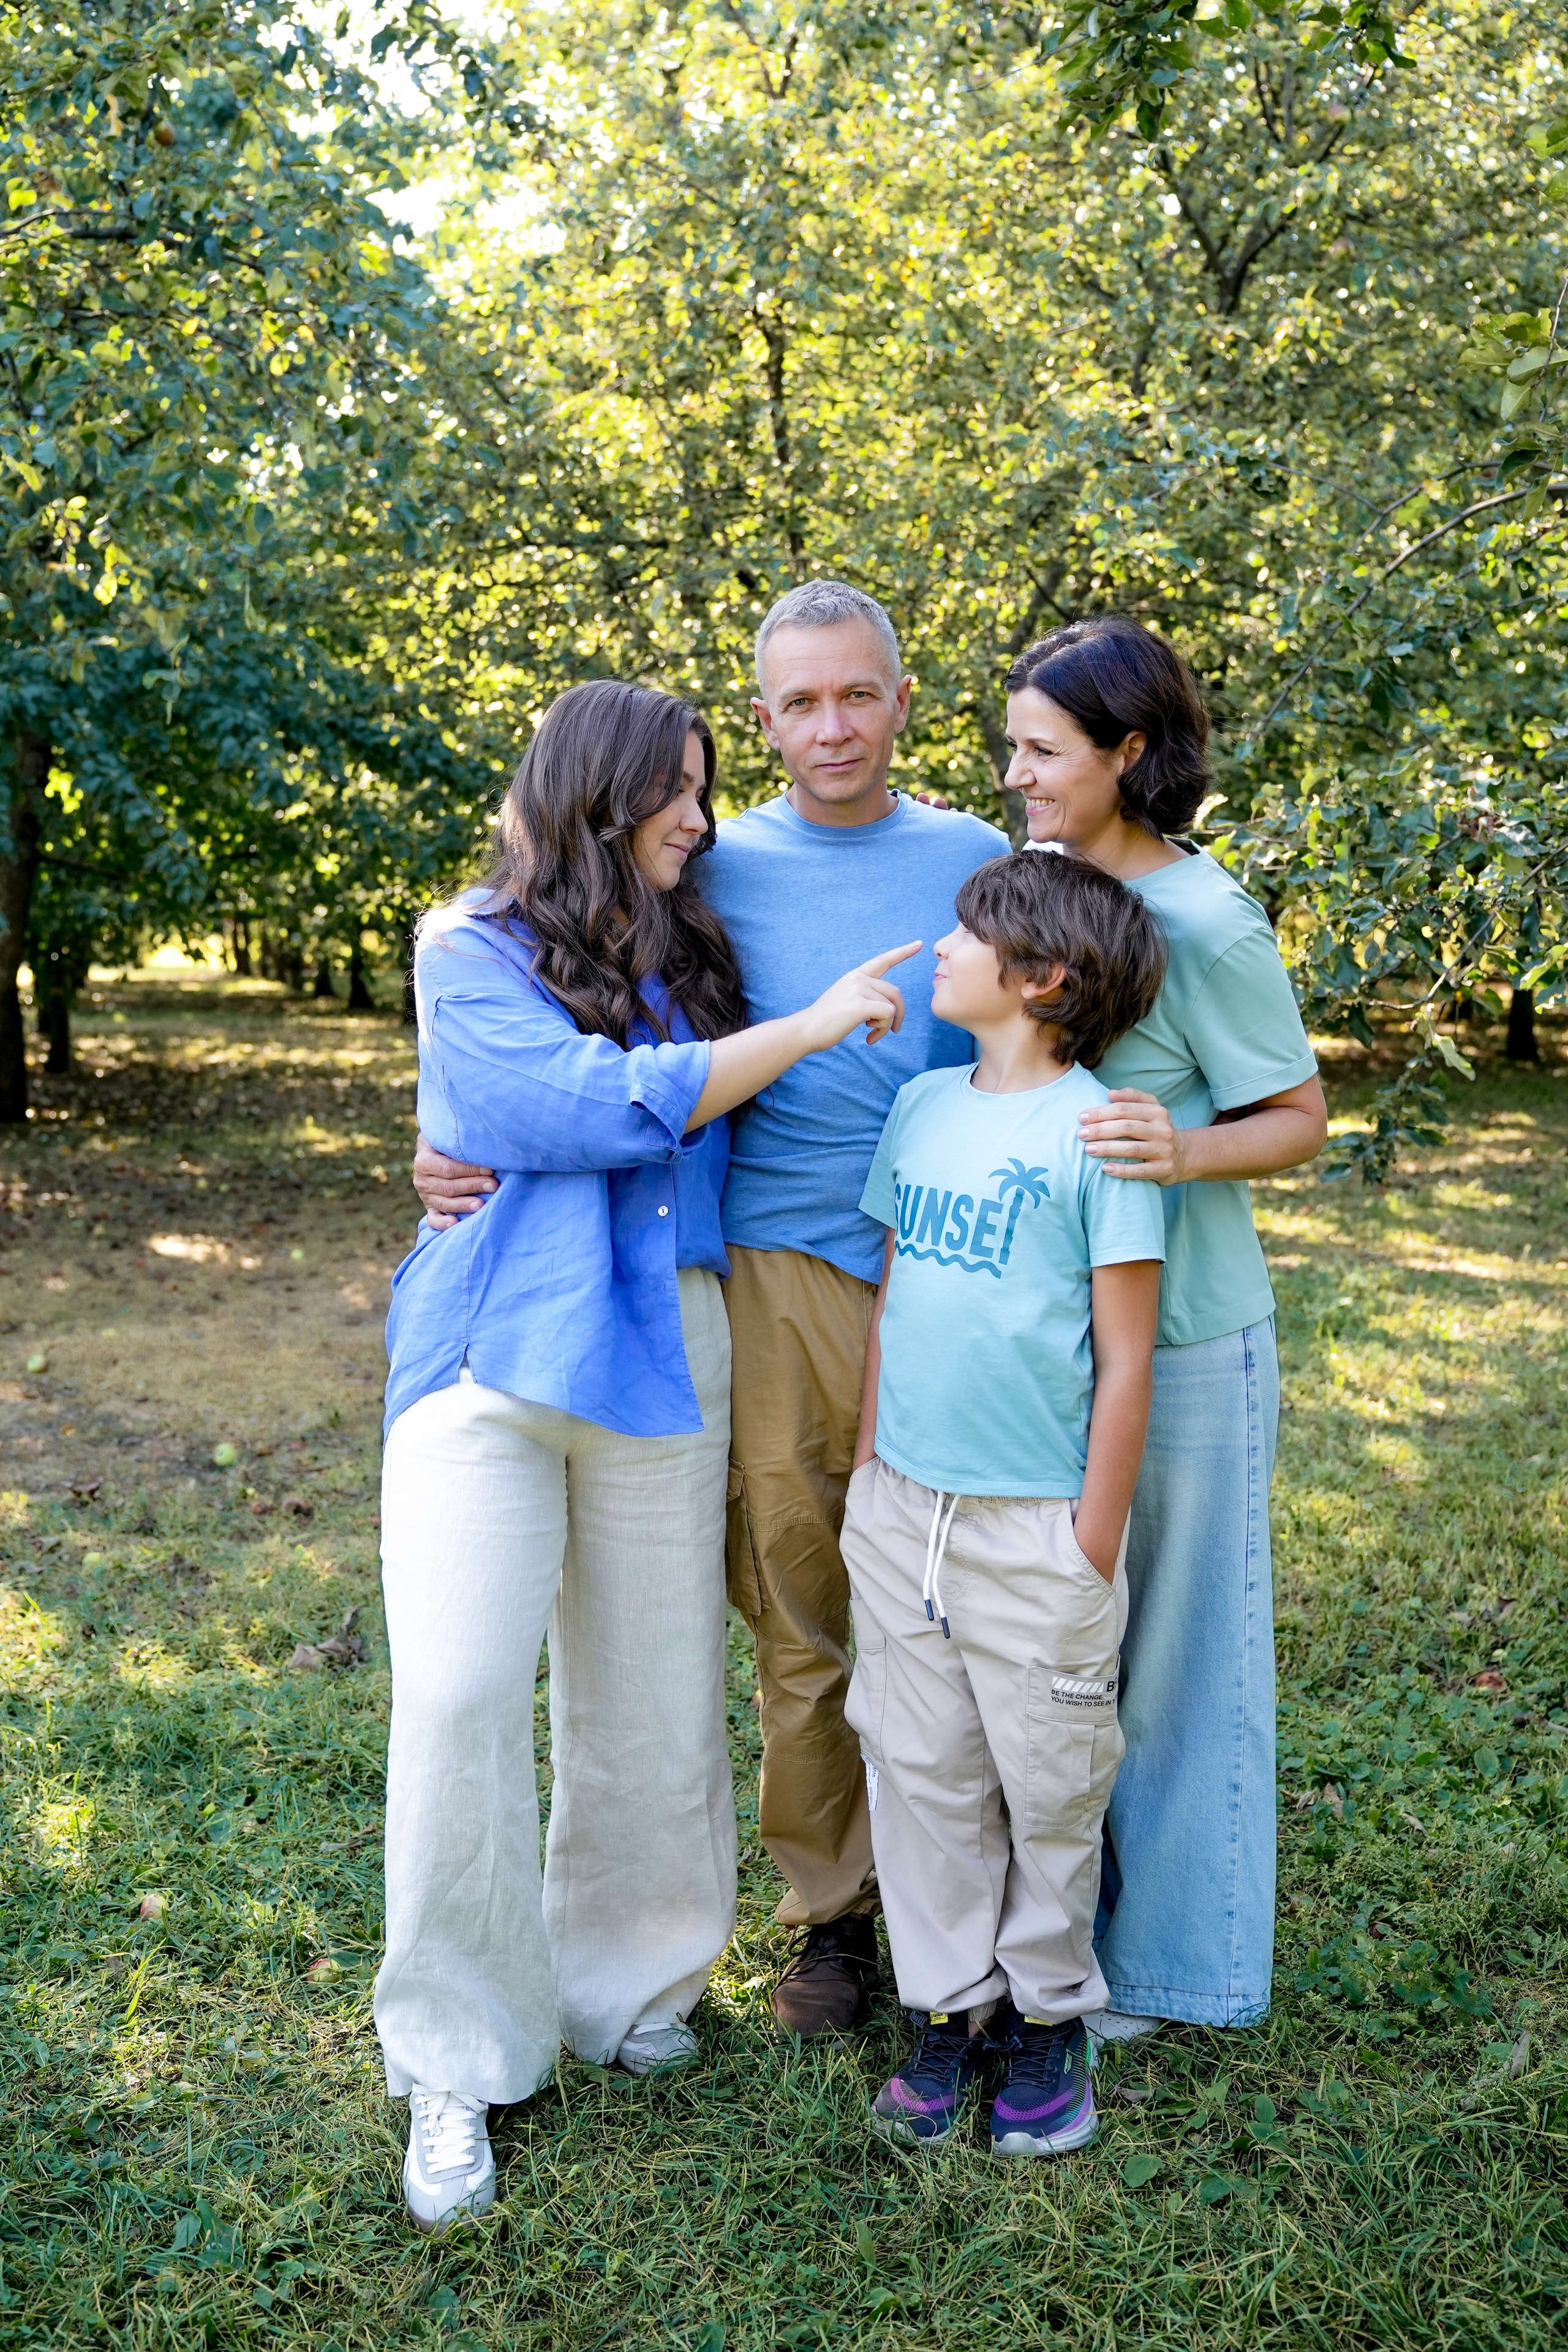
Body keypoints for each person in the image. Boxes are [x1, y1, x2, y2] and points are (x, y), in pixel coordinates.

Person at [412, 582, 1010, 2038]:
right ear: (761, 722)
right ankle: (835, 1920)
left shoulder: (974, 857)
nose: (829, 726)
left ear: (902, 700)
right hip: (770, 1268)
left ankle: (995, 1903)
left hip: (963, 1266)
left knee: (986, 1592)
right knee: (799, 1604)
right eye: (796, 703)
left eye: (855, 694)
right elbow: (550, 1006)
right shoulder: (705, 870)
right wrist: (439, 1138)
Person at [379, 676, 919, 2232]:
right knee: (465, 1692)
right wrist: (801, 1034)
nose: (701, 812)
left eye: (701, 784)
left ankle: (626, 1992)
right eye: (675, 789)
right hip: (491, 1355)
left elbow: (698, 1123)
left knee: (654, 1689)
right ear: (596, 797)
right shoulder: (463, 941)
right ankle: (456, 2061)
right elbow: (571, 1105)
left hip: (672, 1346)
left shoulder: (695, 951)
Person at [1003, 616, 1327, 2040]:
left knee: (1184, 1656)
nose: (1013, 773)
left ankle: (1183, 1968)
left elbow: (1297, 1119)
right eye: (1010, 743)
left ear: (1127, 755)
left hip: (1189, 1339)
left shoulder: (1208, 920)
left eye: (1040, 750)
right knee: (1076, 1643)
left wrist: (1181, 1152)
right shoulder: (1041, 888)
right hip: (1056, 1346)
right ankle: (1061, 1932)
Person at [843, 850, 1167, 2154]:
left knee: (1045, 1783)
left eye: (966, 932)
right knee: (921, 1774)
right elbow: (889, 1297)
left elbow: (1126, 1353)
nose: (940, 945)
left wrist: (1088, 1540)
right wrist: (870, 1466)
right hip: (899, 1512)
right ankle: (948, 2011)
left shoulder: (1099, 1129)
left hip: (1035, 1530)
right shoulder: (920, 1103)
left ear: (1039, 977)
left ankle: (1043, 2017)